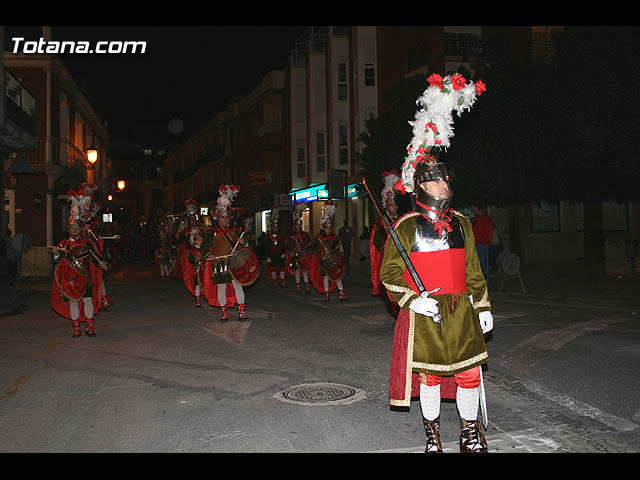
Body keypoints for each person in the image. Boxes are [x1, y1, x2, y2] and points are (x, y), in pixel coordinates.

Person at [380, 72, 492, 453]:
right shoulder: (407, 226)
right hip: (426, 314)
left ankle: (470, 434)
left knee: (469, 375)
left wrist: (484, 306)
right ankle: (432, 438)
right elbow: (389, 273)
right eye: (436, 181)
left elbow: (473, 272)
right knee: (428, 380)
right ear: (422, 186)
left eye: (446, 180)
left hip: (461, 313)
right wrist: (413, 300)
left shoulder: (462, 223)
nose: (444, 185)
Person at [51, 192, 108, 337]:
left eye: (77, 228)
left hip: (85, 278)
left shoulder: (85, 243)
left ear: (80, 229)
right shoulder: (63, 244)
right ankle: (76, 327)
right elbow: (57, 263)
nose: (75, 230)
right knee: (73, 303)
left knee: (88, 300)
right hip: (70, 280)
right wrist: (56, 254)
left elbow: (95, 256)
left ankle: (90, 326)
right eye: (72, 228)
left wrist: (101, 263)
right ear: (69, 230)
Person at [203, 185, 251, 321]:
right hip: (219, 264)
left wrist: (243, 242)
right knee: (221, 289)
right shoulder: (211, 232)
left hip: (235, 263)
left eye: (227, 217)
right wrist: (208, 255)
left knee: (239, 288)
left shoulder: (236, 230)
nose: (226, 220)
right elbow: (204, 247)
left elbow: (246, 244)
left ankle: (242, 312)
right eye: (223, 217)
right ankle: (224, 313)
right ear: (217, 217)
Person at [370, 170, 401, 298]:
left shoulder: (401, 220)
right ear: (386, 206)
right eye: (391, 206)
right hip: (388, 256)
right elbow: (377, 241)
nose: (394, 208)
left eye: (395, 205)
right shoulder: (381, 223)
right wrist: (385, 249)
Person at [309, 202, 347, 302]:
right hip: (324, 261)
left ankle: (342, 293)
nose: (328, 229)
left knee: (337, 276)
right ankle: (326, 294)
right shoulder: (319, 238)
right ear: (323, 228)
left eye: (330, 228)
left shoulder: (334, 237)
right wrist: (314, 255)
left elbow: (337, 248)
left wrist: (337, 249)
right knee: (325, 277)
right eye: (326, 228)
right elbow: (314, 249)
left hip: (334, 260)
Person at [286, 202, 313, 294]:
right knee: (297, 272)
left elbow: (309, 243)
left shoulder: (305, 234)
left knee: (305, 271)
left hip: (304, 255)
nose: (299, 226)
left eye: (300, 225)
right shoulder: (291, 235)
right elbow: (288, 246)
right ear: (294, 226)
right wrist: (290, 252)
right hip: (296, 256)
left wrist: (309, 249)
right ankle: (298, 288)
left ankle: (307, 287)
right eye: (297, 225)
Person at [265, 207, 287, 288]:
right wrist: (267, 256)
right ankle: (275, 282)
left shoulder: (281, 236)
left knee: (281, 269)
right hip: (272, 255)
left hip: (280, 254)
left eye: (276, 227)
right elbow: (267, 247)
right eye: (274, 227)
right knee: (273, 269)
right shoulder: (268, 237)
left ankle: (283, 281)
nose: (275, 228)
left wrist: (284, 253)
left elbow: (284, 245)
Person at [472, 206, 494, 281]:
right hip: (477, 243)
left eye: (476, 210)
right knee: (478, 263)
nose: (475, 212)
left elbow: (488, 232)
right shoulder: (477, 219)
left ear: (481, 210)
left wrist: (487, 242)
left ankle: (485, 279)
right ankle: (480, 279)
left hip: (483, 244)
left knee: (483, 263)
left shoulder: (486, 219)